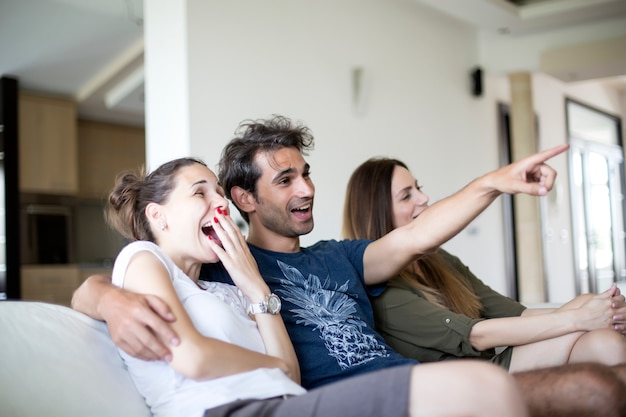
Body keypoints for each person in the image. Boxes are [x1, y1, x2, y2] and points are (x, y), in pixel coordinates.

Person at [73, 116, 626, 416]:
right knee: (592, 391)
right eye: (285, 180)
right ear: (245, 200)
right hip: (356, 399)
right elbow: (137, 278)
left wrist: (494, 183)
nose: (309, 189)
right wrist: (103, 295)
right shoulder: (218, 273)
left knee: (606, 379)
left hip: (404, 382)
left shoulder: (337, 255)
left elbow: (415, 236)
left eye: (306, 173)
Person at [100, 155, 529, 417]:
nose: (219, 206)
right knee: (484, 386)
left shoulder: (227, 287)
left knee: (486, 390)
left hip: (287, 401)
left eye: (218, 194)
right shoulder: (144, 257)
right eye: (200, 194)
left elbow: (288, 370)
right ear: (158, 217)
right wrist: (100, 296)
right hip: (241, 410)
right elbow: (191, 358)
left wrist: (256, 290)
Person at [341, 156, 626, 373]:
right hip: (472, 379)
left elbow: (519, 314)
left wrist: (602, 311)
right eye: (407, 195)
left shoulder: (438, 262)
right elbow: (476, 336)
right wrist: (581, 319)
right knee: (593, 325)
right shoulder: (380, 288)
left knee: (602, 335)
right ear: (377, 213)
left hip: (494, 361)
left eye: (419, 188)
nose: (424, 198)